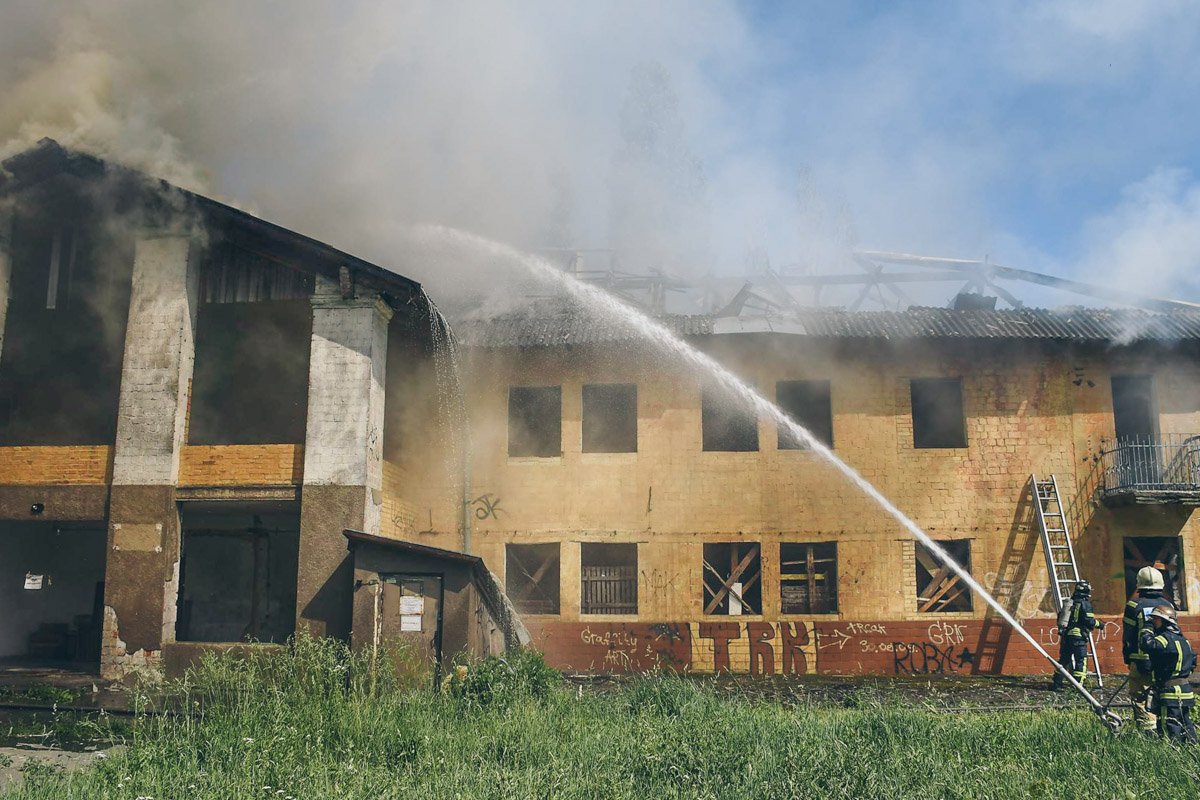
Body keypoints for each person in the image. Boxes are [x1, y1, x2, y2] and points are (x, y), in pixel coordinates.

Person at [1124, 566, 1175, 734]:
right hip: (1163, 662)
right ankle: (1164, 730)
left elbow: (1129, 636)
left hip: (1140, 662)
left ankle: (1148, 734)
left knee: (1140, 698)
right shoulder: (1168, 605)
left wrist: (1128, 658)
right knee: (1162, 694)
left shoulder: (1133, 606)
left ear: (1139, 584)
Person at [1139, 605, 1197, 744]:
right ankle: (1191, 749)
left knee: (1168, 727)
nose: (1153, 621)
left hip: (1170, 692)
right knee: (1186, 724)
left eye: (1155, 619)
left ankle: (1172, 756)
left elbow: (1147, 644)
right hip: (1185, 691)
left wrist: (1146, 628)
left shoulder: (1164, 639)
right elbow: (1193, 662)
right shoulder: (1184, 641)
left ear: (1164, 621)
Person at [1052, 580, 1097, 690]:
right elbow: (1089, 621)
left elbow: (1060, 617)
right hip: (1078, 638)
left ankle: (1056, 682)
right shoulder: (1085, 604)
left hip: (1066, 636)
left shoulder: (1069, 603)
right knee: (1081, 660)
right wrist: (1100, 624)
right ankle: (1078, 686)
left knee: (1064, 660)